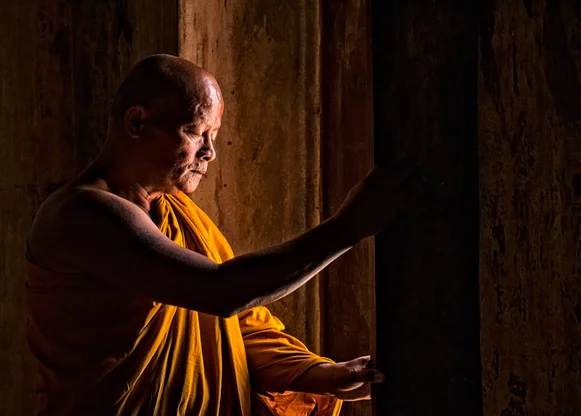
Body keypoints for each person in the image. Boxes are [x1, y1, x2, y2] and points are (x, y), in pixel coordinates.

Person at [25, 54, 416, 415]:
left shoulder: (175, 212)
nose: (210, 152)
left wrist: (319, 375)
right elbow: (221, 292)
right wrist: (349, 227)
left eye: (214, 134)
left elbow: (235, 327)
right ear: (136, 123)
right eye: (196, 131)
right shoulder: (83, 214)